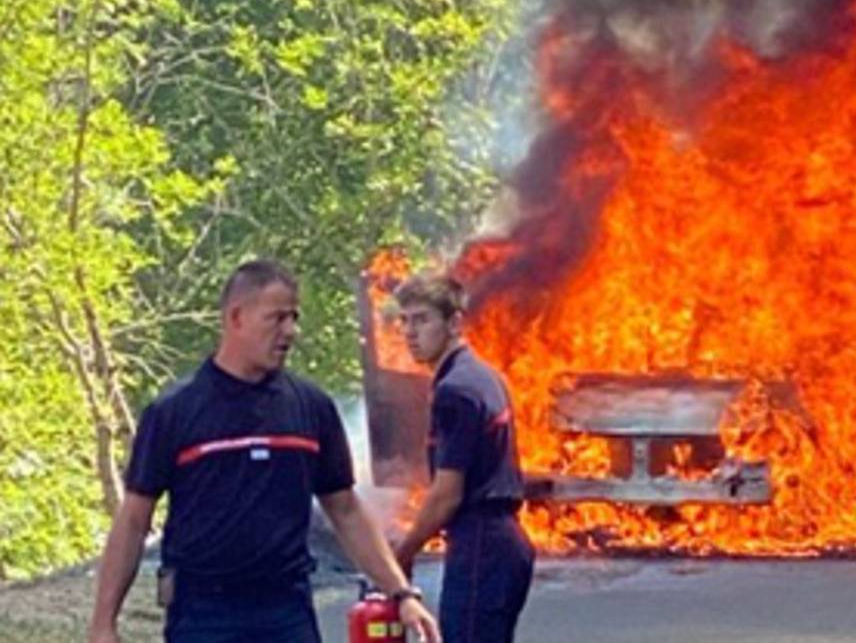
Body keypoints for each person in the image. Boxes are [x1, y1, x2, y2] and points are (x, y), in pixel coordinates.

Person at [88, 260, 439, 643]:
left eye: (294, 317)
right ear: (236, 318)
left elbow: (346, 510)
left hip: (286, 613)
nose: (290, 331)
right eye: (276, 318)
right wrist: (104, 624)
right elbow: (134, 520)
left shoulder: (310, 407)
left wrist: (400, 592)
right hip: (204, 616)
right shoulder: (174, 412)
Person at [392, 273, 535, 643]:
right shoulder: (485, 376)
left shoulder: (456, 391)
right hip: (503, 544)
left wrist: (402, 553)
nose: (409, 332)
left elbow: (447, 493)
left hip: (480, 546)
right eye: (404, 320)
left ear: (454, 323)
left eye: (422, 319)